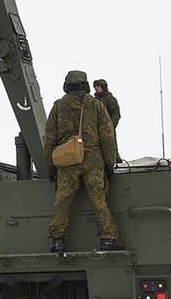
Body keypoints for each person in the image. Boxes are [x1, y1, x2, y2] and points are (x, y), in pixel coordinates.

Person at [45, 70, 122, 253]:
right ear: (85, 85)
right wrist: (109, 162)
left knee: (62, 202)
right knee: (99, 201)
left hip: (67, 161)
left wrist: (50, 165)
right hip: (93, 160)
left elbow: (49, 137)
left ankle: (58, 241)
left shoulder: (58, 106)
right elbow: (107, 136)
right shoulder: (96, 106)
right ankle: (107, 239)